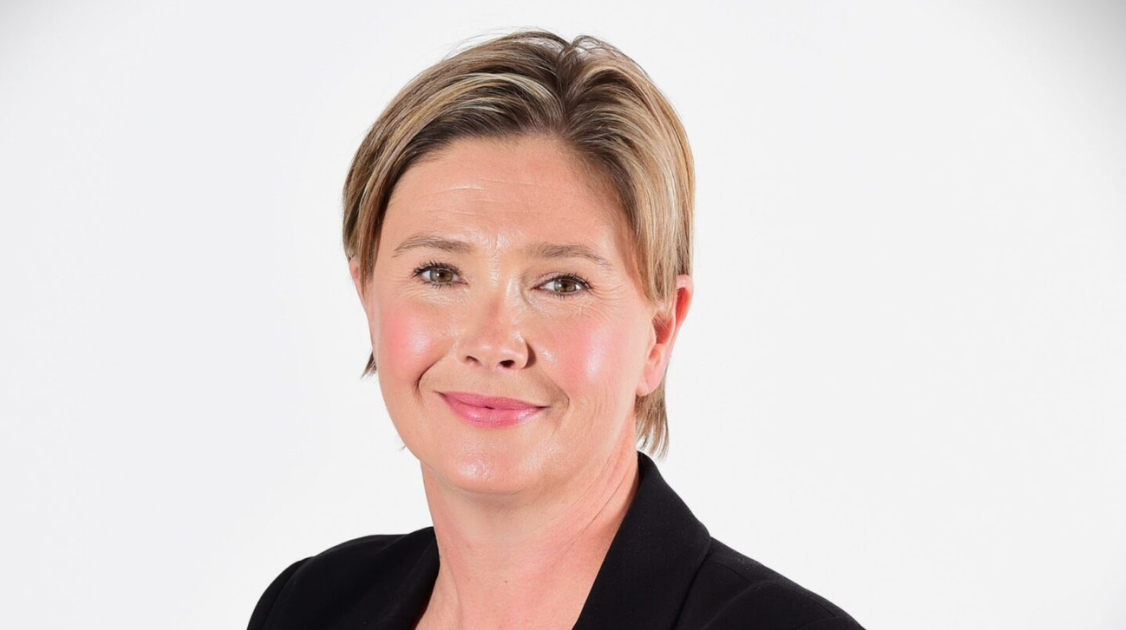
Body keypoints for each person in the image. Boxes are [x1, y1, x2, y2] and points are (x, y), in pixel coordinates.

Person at [247, 29, 865, 630]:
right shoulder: (308, 606)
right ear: (368, 297)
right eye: (439, 273)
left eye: (562, 284)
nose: (492, 344)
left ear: (658, 332)